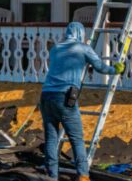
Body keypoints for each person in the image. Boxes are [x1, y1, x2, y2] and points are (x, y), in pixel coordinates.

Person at [41, 22, 124, 181]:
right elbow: (100, 67)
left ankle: (52, 175)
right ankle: (83, 176)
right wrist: (116, 69)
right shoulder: (83, 48)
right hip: (64, 97)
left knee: (51, 138)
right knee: (76, 139)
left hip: (46, 96)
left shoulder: (56, 49)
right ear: (80, 34)